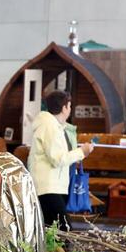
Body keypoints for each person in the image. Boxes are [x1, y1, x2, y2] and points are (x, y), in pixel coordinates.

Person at [26, 90, 94, 231]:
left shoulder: (54, 126)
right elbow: (58, 159)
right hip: (48, 187)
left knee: (52, 232)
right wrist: (82, 152)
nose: (69, 109)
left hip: (52, 186)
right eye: (69, 106)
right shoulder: (50, 127)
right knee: (64, 230)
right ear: (64, 108)